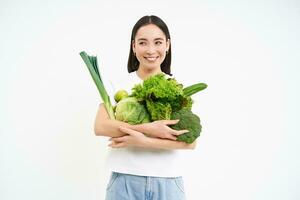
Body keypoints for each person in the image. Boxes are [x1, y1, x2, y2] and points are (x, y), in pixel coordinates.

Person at [94, 15, 196, 200]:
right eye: (143, 43)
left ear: (167, 45)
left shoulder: (177, 87)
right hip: (124, 180)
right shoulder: (117, 85)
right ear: (134, 47)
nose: (151, 50)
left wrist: (142, 141)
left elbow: (190, 142)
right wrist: (147, 129)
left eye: (158, 42)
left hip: (168, 181)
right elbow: (100, 127)